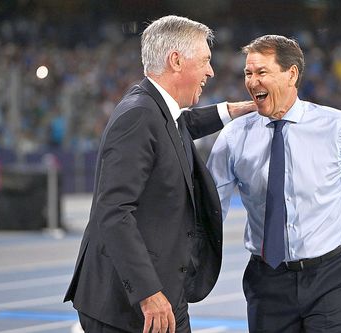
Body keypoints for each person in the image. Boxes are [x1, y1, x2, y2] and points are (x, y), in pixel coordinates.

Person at [64, 15, 254, 333]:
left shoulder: (160, 109)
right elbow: (113, 213)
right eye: (205, 61)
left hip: (164, 292)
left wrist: (231, 110)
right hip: (128, 305)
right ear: (176, 61)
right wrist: (148, 292)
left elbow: (182, 125)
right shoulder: (138, 116)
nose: (211, 71)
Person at [207, 35, 341, 333]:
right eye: (248, 74)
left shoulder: (338, 127)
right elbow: (209, 211)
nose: (252, 82)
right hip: (267, 281)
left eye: (262, 72)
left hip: (331, 277)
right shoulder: (233, 137)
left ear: (291, 74)